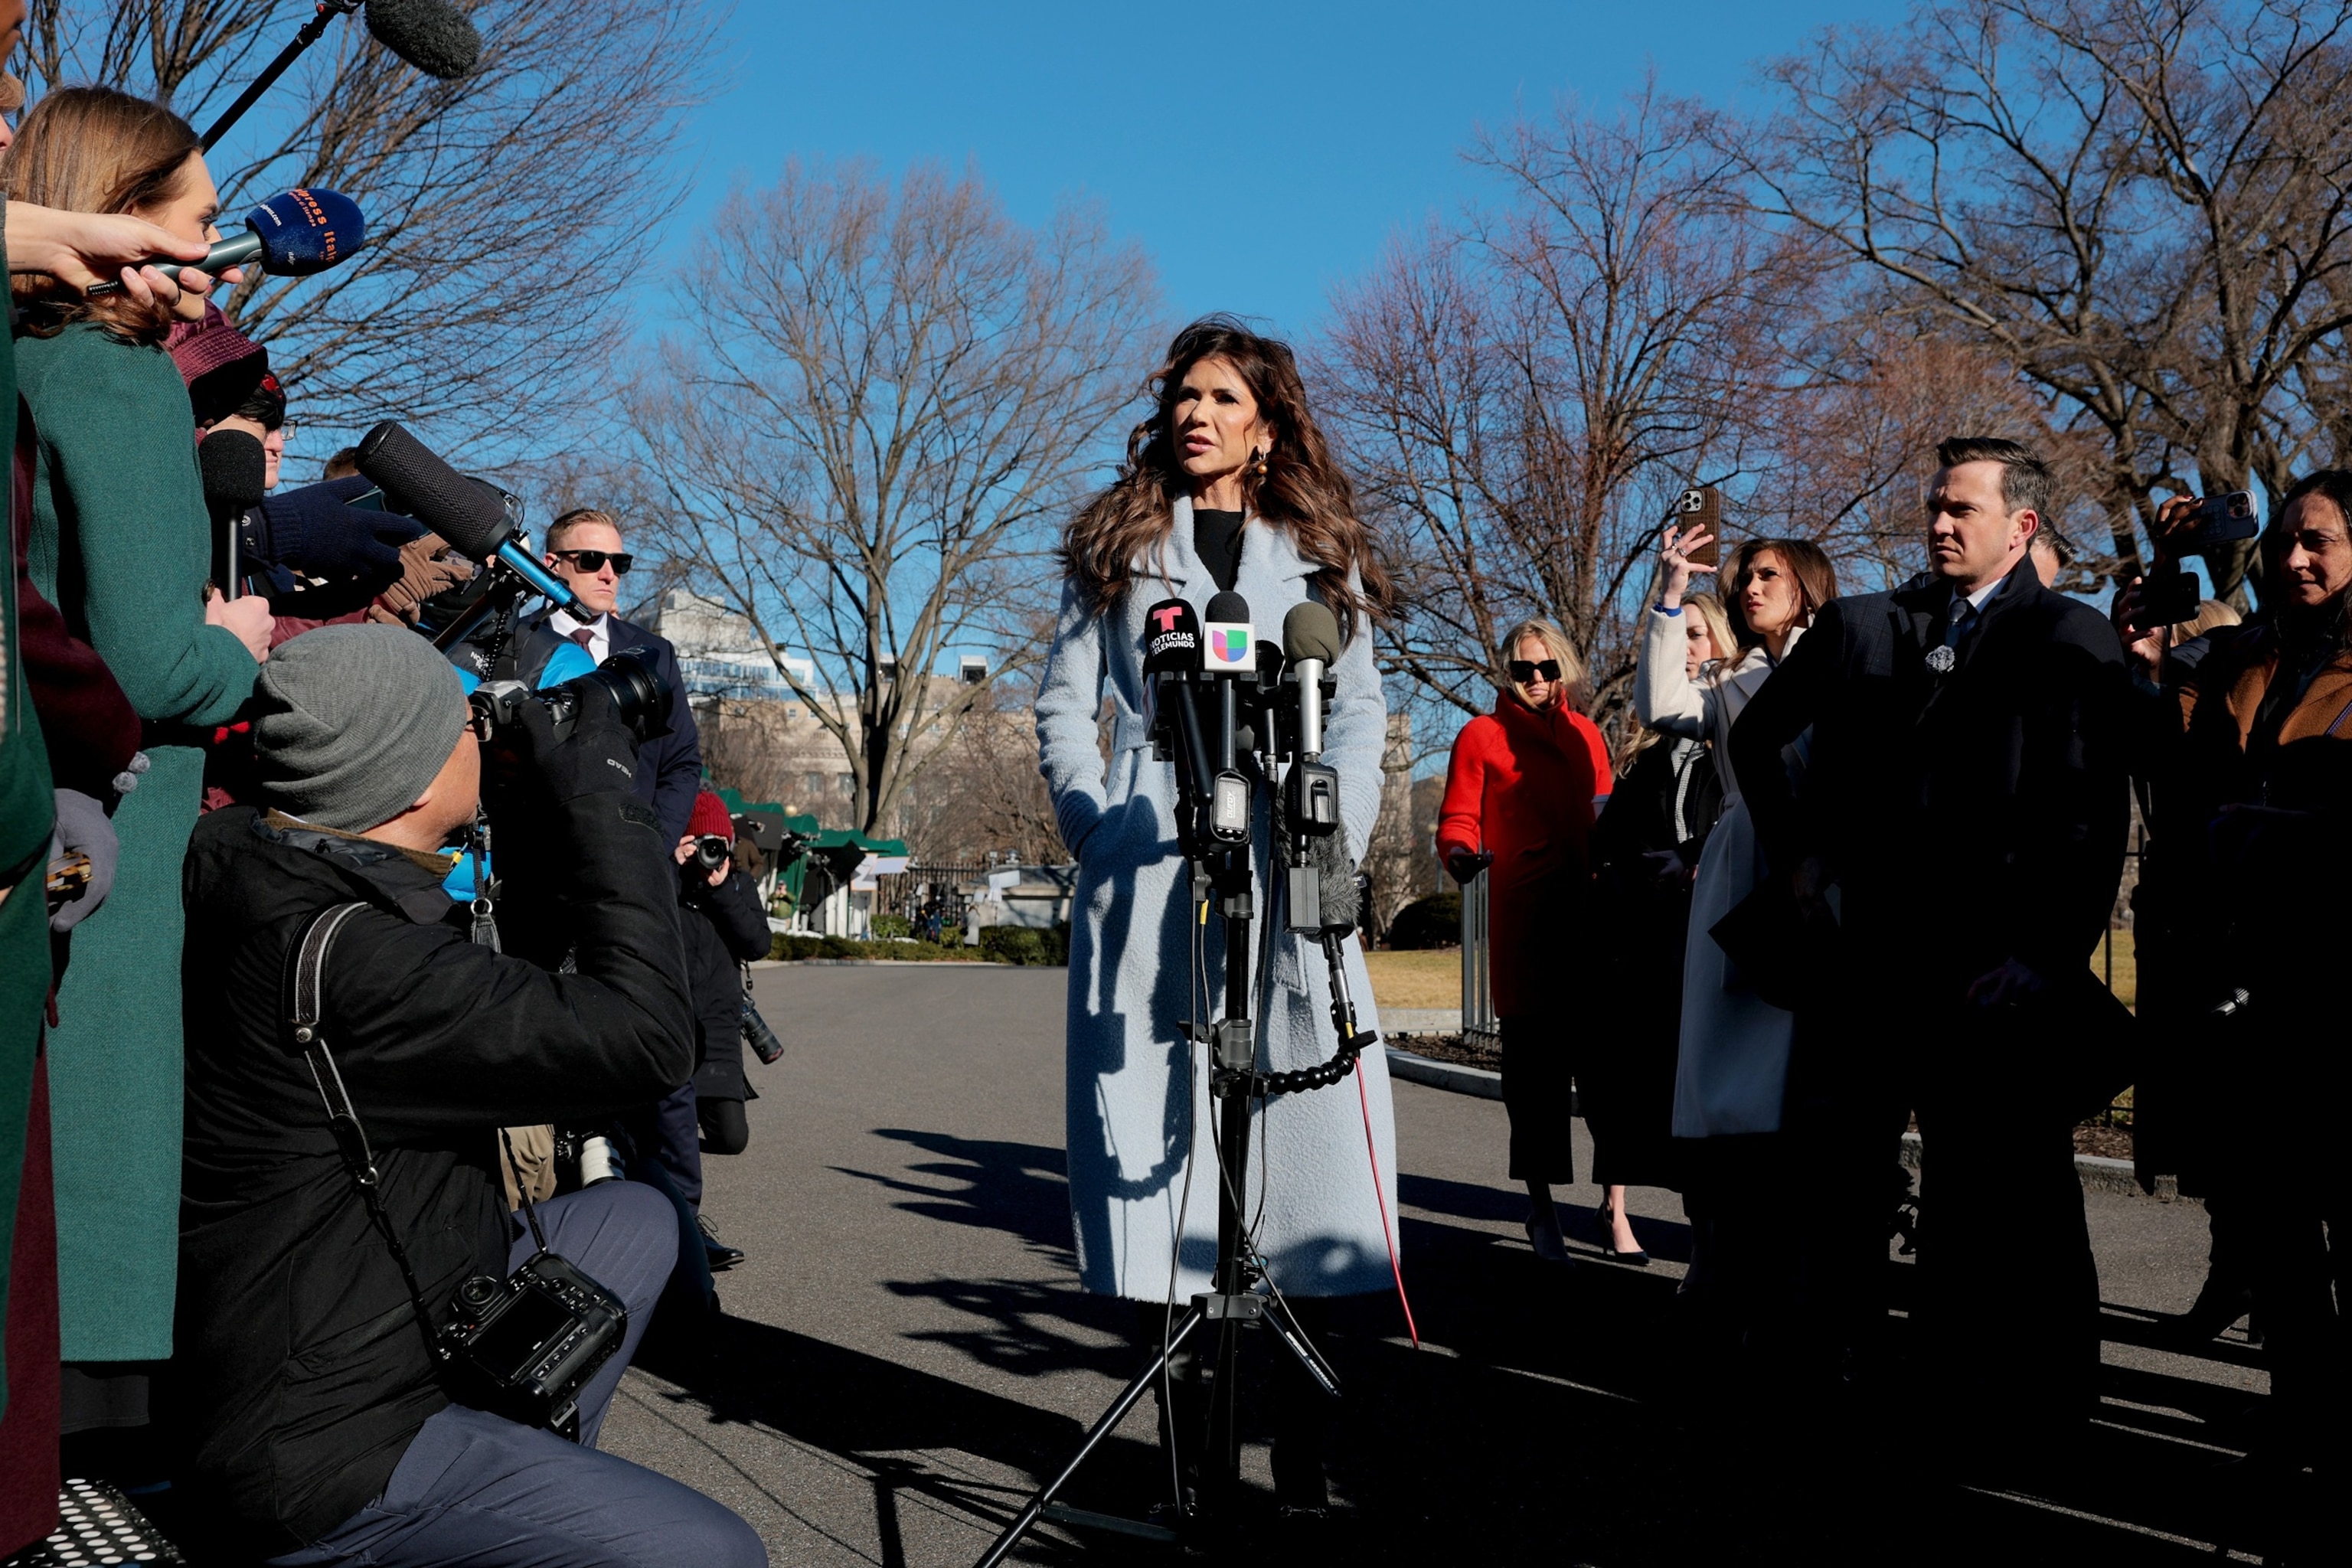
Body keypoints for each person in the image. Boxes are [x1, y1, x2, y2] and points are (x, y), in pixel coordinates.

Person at [175, 625, 762, 1566]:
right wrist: (607, 801)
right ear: (406, 780)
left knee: (642, 1219)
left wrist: (528, 812)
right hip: (329, 1444)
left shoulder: (251, 850)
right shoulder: (358, 963)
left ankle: (515, 1502)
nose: (487, 737)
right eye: (465, 724)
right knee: (709, 1553)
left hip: (361, 1308)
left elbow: (508, 975)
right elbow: (650, 1040)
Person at [1034, 315, 1400, 1513]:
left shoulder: (1320, 555)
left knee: (1296, 1146)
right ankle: (1187, 1473)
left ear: (1268, 423)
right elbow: (1062, 706)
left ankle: (1302, 1467)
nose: (1196, 414)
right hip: (1154, 854)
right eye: (1184, 395)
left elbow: (1356, 713)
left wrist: (1330, 835)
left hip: (1291, 858)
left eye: (1223, 399)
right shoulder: (1120, 545)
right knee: (1172, 1147)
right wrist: (1098, 823)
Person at [1731, 436, 2130, 1429]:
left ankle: (2042, 1400)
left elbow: (2093, 816)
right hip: (1864, 966)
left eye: (1965, 510)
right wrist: (1800, 857)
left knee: (2006, 1193)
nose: (1942, 523)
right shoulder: (1868, 626)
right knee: (1840, 1182)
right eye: (1936, 506)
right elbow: (1755, 734)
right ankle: (1836, 1379)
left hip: (1992, 970)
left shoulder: (2071, 639)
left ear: (2022, 526)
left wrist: (2043, 957)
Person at [8, 85, 273, 1436]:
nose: (221, 255)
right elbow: (157, 667)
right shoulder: (111, 381)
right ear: (117, 222)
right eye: (204, 221)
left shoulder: (23, 360)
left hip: (41, 822)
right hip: (117, 835)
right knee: (96, 1180)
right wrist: (241, 640)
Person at [2116, 478, 2351, 1528]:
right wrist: (2150, 680)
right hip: (2246, 982)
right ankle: (2296, 1429)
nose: (2298, 558)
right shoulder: (2247, 658)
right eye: (2290, 541)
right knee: (2276, 1233)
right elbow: (2183, 790)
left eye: (2321, 542)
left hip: (2340, 985)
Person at [1634, 524, 1835, 1312]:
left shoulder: (1845, 664)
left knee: (1809, 1074)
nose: (1750, 587)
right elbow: (1660, 703)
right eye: (1745, 576)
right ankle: (1727, 1253)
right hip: (1737, 869)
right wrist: (1670, 592)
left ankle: (1803, 1270)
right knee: (1730, 1072)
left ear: (1808, 585)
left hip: (1822, 870)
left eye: (1769, 575)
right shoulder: (1728, 683)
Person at [1435, 619, 1612, 1263]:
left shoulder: (1587, 733)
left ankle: (1615, 1205)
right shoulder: (1481, 735)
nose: (1536, 680)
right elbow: (1458, 815)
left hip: (1592, 921)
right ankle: (1542, 1210)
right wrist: (1459, 853)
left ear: (1563, 669)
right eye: (1522, 670)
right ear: (1507, 674)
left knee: (1608, 1078)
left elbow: (1606, 811)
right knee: (1534, 1084)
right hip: (1527, 927)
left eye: (1547, 669)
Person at [1587, 590, 1739, 1259]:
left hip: (1713, 937)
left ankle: (1708, 1243)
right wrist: (1643, 867)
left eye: (1701, 636)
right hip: (1648, 941)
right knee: (1636, 1090)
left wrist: (1698, 861)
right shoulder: (1649, 748)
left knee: (1704, 1101)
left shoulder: (1737, 731)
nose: (1691, 648)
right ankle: (1615, 1207)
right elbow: (1609, 840)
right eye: (1685, 636)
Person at [455, 507, 702, 842]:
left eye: (619, 563)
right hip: (526, 854)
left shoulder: (655, 653)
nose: (608, 574)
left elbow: (681, 763)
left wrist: (655, 845)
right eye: (591, 559)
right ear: (551, 563)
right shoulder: (507, 639)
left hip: (632, 858)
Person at [650, 790, 772, 1275]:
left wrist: (720, 888)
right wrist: (672, 866)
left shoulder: (736, 886)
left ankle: (673, 1130)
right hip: (674, 1021)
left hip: (719, 1026)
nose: (710, 852)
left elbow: (757, 943)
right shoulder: (664, 881)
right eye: (699, 842)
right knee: (671, 1120)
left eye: (718, 842)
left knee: (733, 1137)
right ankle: (677, 1200)